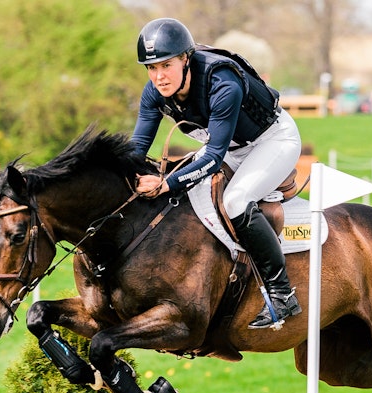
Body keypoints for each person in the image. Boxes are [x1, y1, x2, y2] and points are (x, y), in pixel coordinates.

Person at [130, 18, 303, 330]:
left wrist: (166, 184)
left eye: (166, 65)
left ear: (186, 58)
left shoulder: (222, 82)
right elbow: (138, 146)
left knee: (236, 201)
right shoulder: (154, 92)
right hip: (230, 148)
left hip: (272, 141)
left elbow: (212, 158)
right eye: (151, 68)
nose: (159, 76)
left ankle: (281, 294)